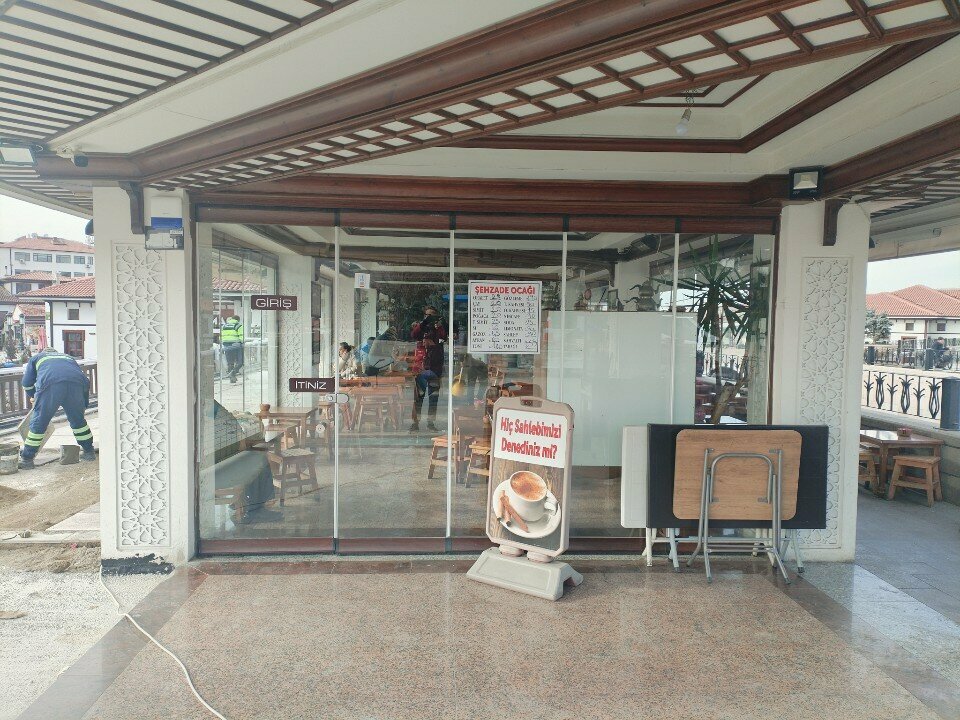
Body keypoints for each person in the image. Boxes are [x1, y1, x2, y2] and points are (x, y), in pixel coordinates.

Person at [19, 347, 95, 469]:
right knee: (78, 421)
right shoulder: (68, 357)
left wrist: (34, 396)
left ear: (44, 352)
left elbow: (27, 383)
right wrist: (84, 404)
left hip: (51, 385)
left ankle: (27, 459)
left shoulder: (36, 358)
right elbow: (84, 381)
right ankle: (89, 451)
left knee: (39, 422)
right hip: (77, 384)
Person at [409, 305, 447, 432]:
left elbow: (444, 337)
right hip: (421, 370)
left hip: (435, 369)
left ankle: (431, 423)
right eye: (427, 315)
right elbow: (414, 335)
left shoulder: (439, 328)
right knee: (418, 398)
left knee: (433, 398)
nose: (429, 318)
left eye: (432, 315)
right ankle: (415, 423)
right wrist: (424, 322)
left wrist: (439, 325)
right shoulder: (421, 327)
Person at [220, 314, 244, 383]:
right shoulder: (238, 326)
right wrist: (242, 343)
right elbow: (241, 336)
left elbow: (220, 336)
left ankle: (232, 378)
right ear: (238, 320)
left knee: (230, 362)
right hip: (236, 345)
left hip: (226, 345)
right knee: (240, 362)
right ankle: (232, 373)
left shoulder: (224, 326)